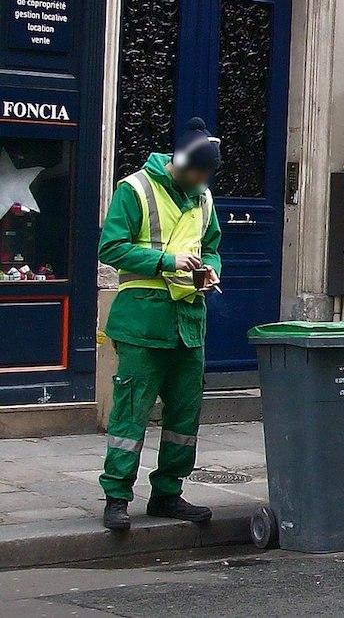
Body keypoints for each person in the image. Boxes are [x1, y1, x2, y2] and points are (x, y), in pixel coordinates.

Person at [97, 119, 223, 531]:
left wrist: (211, 270)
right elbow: (111, 248)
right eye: (197, 173)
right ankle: (117, 497)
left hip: (188, 323)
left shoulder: (203, 197)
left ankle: (168, 492)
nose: (201, 181)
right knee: (131, 414)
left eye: (206, 175)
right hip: (143, 322)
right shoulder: (135, 189)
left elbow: (211, 247)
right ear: (179, 164)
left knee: (185, 416)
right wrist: (167, 261)